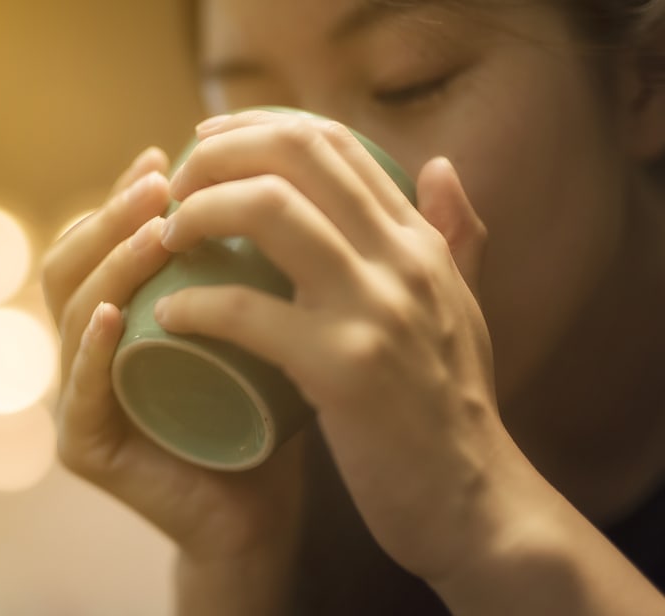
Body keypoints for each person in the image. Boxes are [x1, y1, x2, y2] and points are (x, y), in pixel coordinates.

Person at [42, 0, 665, 613]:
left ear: (645, 72)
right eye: (252, 109)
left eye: (407, 84)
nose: (296, 192)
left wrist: (478, 509)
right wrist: (239, 572)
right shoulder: (304, 475)